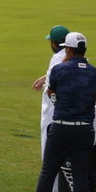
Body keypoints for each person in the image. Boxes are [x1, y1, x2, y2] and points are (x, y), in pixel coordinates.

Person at [21, 32, 96, 192]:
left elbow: (51, 91)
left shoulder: (59, 69)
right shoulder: (95, 73)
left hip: (62, 126)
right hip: (85, 129)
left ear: (67, 49)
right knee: (80, 175)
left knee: (49, 171)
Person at [32, 25, 71, 155]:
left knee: (49, 150)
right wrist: (45, 77)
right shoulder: (73, 54)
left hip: (54, 111)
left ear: (54, 43)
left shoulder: (57, 58)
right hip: (71, 112)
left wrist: (45, 84)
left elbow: (53, 88)